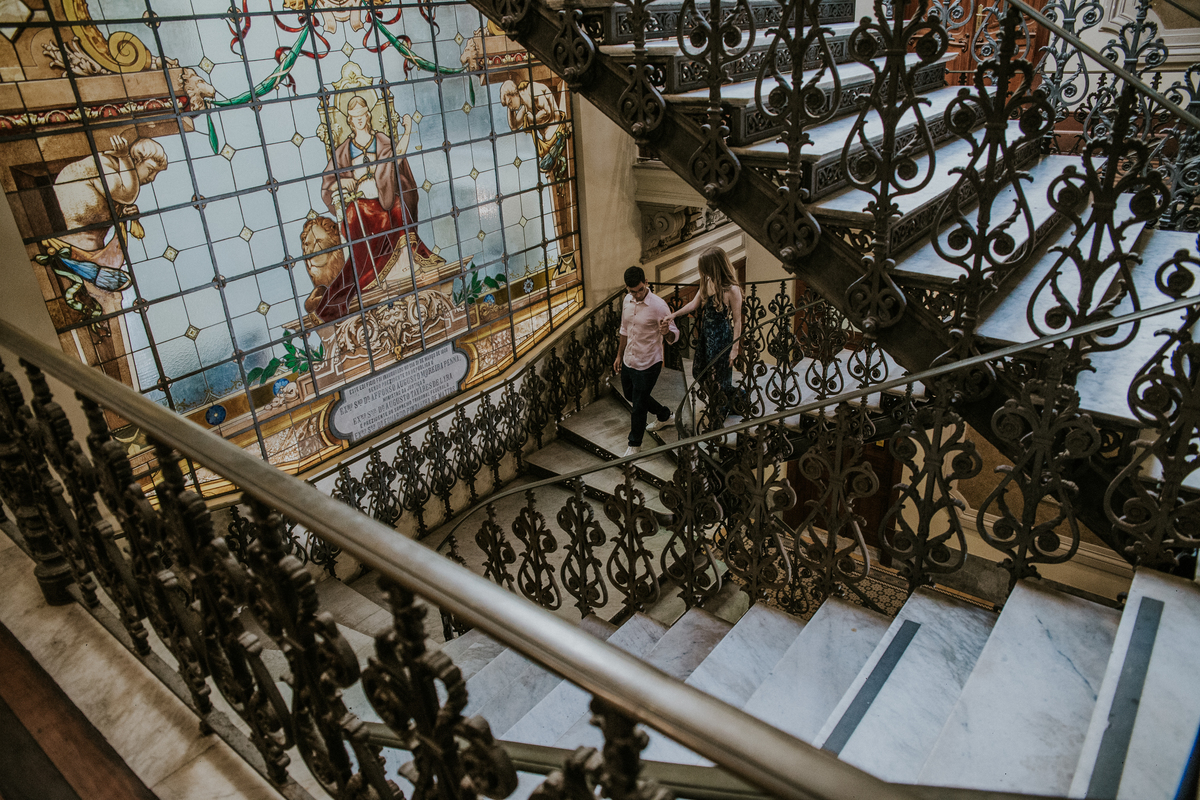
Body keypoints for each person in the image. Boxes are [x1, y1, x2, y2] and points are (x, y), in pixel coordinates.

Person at [318, 95, 444, 320]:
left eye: (362, 115)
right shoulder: (343, 151)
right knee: (356, 213)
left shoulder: (381, 140)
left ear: (368, 115)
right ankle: (369, 274)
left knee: (397, 207)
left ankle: (405, 266)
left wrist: (407, 132)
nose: (359, 120)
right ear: (349, 120)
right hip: (359, 202)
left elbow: (397, 159)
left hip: (383, 197)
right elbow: (329, 183)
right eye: (354, 117)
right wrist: (341, 182)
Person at [664, 247, 744, 414]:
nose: (703, 272)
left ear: (714, 266)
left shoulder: (732, 289)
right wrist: (674, 315)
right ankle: (733, 400)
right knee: (699, 371)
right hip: (706, 336)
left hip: (721, 337)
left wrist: (735, 349)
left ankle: (719, 410)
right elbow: (693, 304)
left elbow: (737, 321)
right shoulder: (707, 282)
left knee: (719, 377)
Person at [614, 265, 679, 457]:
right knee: (629, 394)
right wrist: (619, 355)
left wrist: (667, 333)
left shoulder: (658, 305)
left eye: (640, 290)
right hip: (629, 359)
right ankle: (665, 415)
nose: (637, 295)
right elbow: (624, 330)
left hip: (649, 363)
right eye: (632, 291)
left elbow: (675, 334)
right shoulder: (627, 300)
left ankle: (634, 445)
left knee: (639, 405)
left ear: (647, 283)